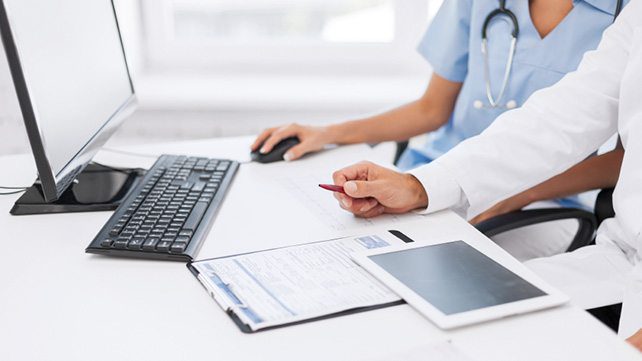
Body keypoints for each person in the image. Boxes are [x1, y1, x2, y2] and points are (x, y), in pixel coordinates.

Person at [328, 0, 642, 347]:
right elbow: (559, 119)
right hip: (615, 261)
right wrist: (419, 186)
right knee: (414, 319)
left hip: (613, 276)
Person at [252, 0, 628, 260]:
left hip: (543, 202)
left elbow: (624, 156)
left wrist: (513, 192)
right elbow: (432, 108)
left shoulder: (625, 18)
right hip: (437, 175)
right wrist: (328, 132)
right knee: (324, 249)